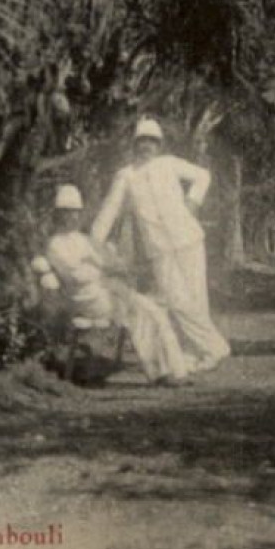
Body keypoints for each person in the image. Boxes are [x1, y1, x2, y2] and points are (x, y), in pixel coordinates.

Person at [92, 118, 231, 372]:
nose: (147, 146)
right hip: (158, 248)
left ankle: (197, 353)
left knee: (197, 299)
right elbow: (108, 213)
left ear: (159, 144)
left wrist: (192, 204)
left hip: (189, 238)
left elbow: (203, 176)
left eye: (152, 141)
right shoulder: (125, 176)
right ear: (135, 144)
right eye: (142, 141)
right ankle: (215, 347)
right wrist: (92, 244)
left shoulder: (169, 164)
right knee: (177, 301)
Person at [30, 184, 192, 386]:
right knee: (143, 314)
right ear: (59, 215)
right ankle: (161, 373)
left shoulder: (82, 239)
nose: (73, 217)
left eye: (75, 213)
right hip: (86, 299)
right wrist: (95, 265)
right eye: (67, 213)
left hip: (105, 291)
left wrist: (98, 264)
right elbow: (76, 276)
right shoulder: (55, 244)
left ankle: (176, 372)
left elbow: (103, 263)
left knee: (154, 311)